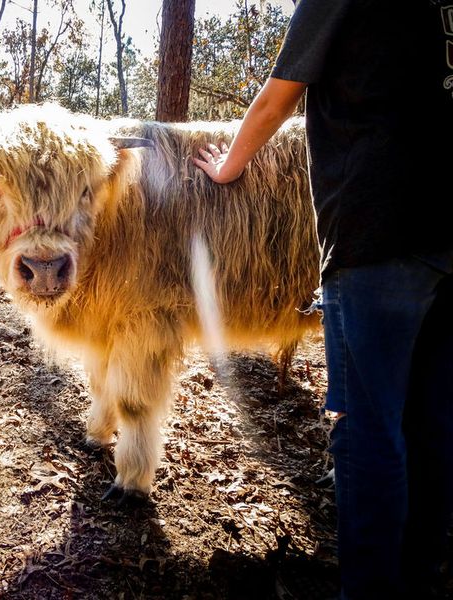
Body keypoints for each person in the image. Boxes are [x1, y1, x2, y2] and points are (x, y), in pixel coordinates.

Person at [193, 1, 453, 598]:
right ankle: (423, 576)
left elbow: (279, 94)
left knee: (369, 430)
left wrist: (231, 166)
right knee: (432, 422)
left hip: (380, 225)